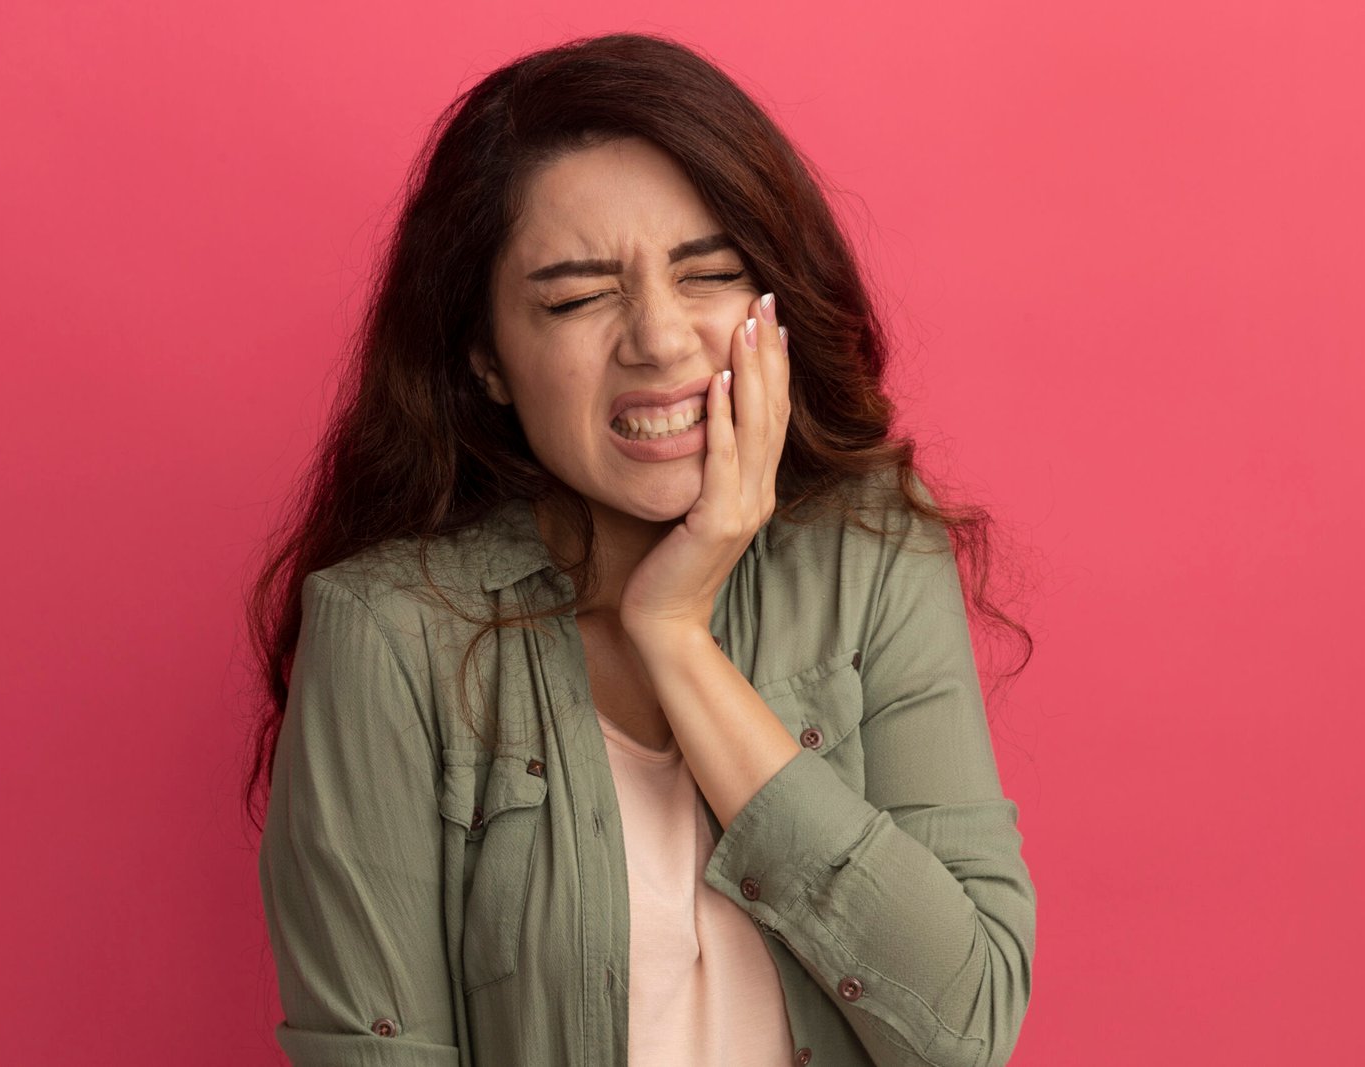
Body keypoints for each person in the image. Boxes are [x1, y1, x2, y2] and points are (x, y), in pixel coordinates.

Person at [247, 31, 1037, 1067]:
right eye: (575, 298)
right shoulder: (388, 635)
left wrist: (674, 635)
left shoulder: (872, 552)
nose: (659, 340)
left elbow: (965, 1029)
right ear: (485, 354)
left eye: (708, 275)